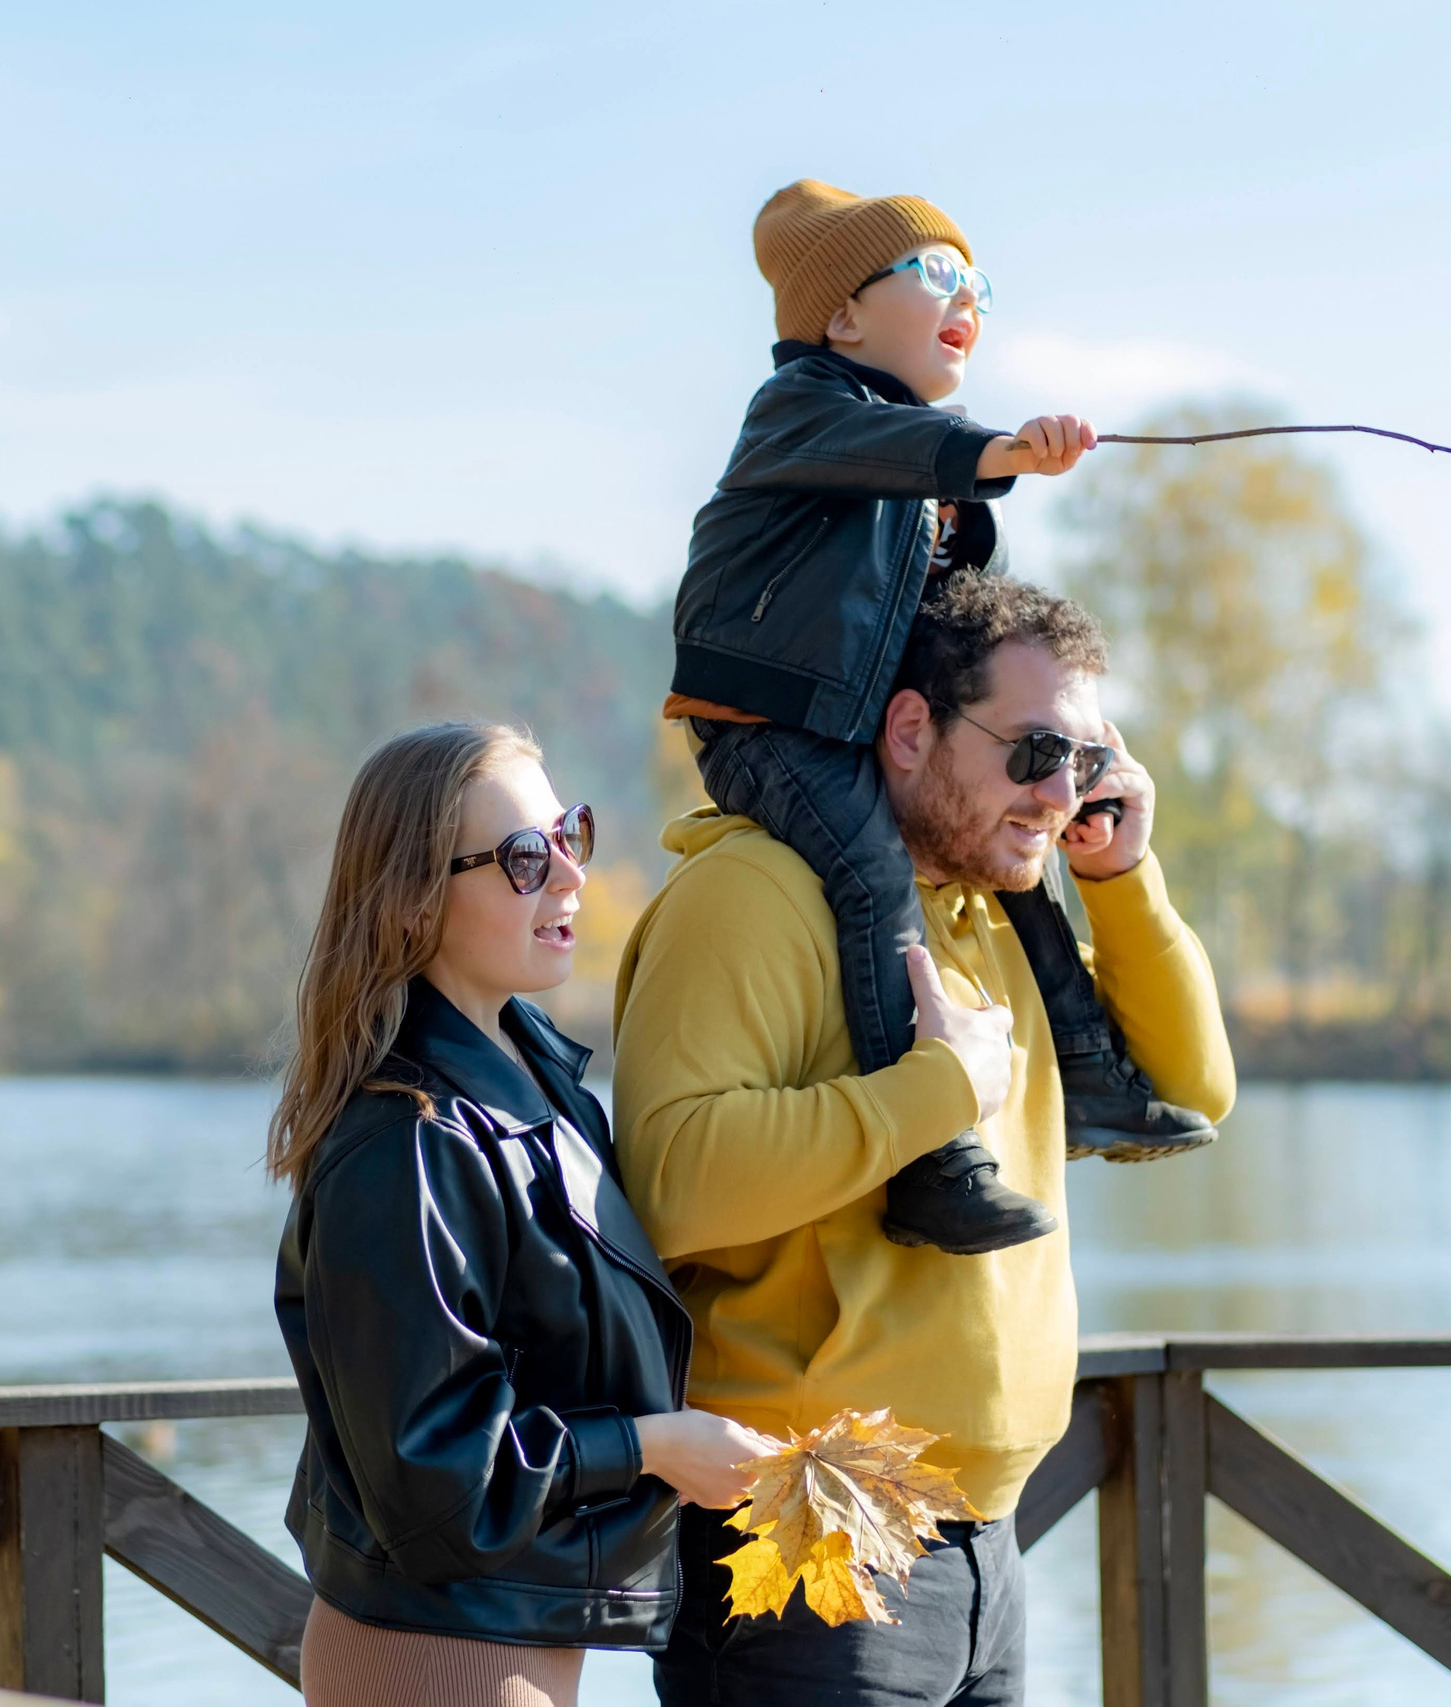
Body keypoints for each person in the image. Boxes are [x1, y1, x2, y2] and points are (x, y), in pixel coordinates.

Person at [614, 574, 1236, 1705]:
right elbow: (672, 1179)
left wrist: (1120, 878)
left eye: (1084, 763)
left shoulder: (997, 913)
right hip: (810, 1535)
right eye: (1034, 750)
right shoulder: (752, 893)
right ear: (910, 730)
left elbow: (1194, 1090)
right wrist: (934, 1092)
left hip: (990, 1542)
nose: (1057, 794)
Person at [665, 177, 1217, 1261]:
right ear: (842, 319)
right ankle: (935, 1161)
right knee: (873, 877)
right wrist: (1001, 453)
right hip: (769, 726)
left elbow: (965, 631)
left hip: (860, 721)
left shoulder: (936, 489)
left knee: (1022, 856)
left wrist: (1059, 765)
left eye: (977, 280)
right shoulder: (803, 413)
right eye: (934, 274)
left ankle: (1093, 1072)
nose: (967, 297)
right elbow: (899, 448)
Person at [270, 721, 777, 1707]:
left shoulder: (542, 1085)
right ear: (416, 898)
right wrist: (654, 1445)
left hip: (505, 1642)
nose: (569, 879)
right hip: (436, 1653)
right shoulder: (407, 1143)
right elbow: (437, 1478)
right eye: (520, 858)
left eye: (568, 836)